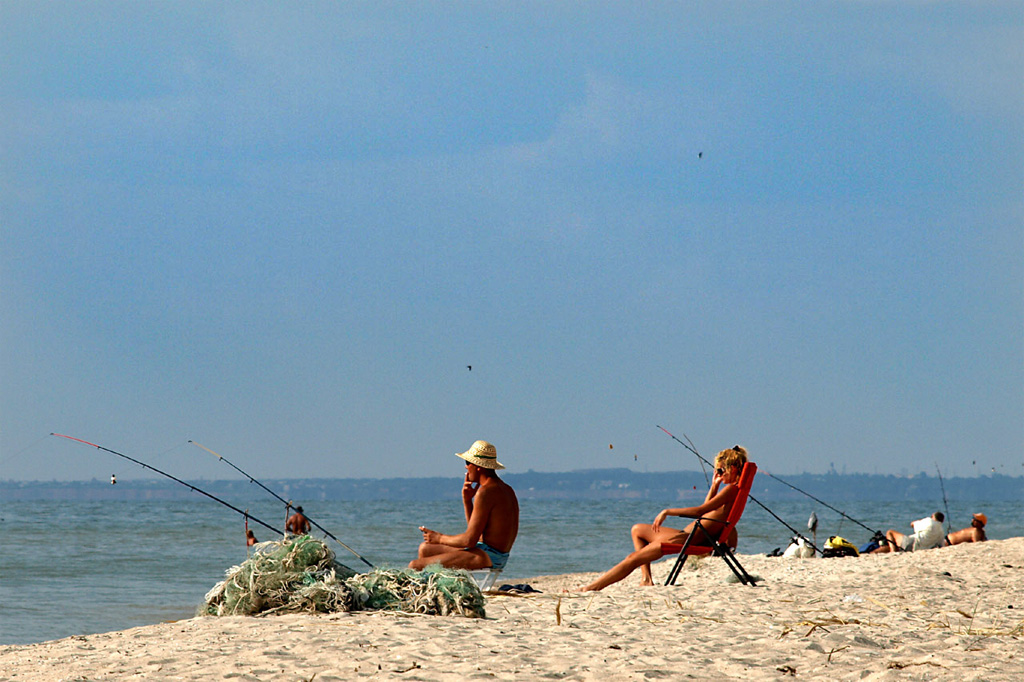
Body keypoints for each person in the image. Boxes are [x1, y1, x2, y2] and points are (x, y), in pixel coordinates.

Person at [580, 445, 748, 592]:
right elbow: (706, 512)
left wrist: (668, 511)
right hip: (688, 535)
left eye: (720, 470)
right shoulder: (733, 491)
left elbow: (699, 511)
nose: (718, 473)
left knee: (632, 558)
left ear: (732, 469)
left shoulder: (731, 490)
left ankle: (590, 588)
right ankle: (646, 579)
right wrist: (714, 486)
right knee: (637, 529)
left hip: (687, 540)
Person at [409, 440, 519, 571]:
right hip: (490, 552)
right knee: (425, 548)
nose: (466, 467)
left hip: (489, 556)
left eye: (467, 463)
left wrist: (438, 538)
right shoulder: (505, 489)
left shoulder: (486, 492)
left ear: (479, 466)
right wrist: (467, 500)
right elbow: (477, 535)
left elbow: (469, 541)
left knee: (414, 566)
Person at [871, 511, 945, 553]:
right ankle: (892, 549)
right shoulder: (941, 531)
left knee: (890, 532)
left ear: (933, 516)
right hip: (921, 549)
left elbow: (913, 524)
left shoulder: (929, 521)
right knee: (895, 544)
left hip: (912, 543)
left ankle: (893, 552)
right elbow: (941, 545)